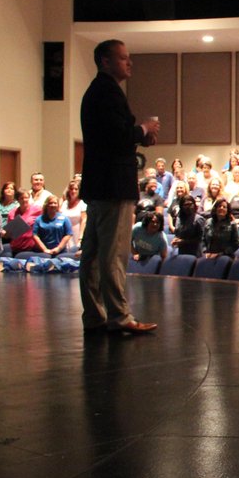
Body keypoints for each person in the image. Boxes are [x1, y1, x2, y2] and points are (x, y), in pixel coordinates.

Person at [79, 40, 161, 334]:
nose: (130, 63)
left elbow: (112, 136)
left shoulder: (99, 91)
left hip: (100, 183)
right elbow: (116, 135)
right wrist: (143, 130)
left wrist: (137, 135)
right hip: (113, 185)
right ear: (105, 61)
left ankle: (95, 315)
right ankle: (119, 317)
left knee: (92, 253)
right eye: (124, 58)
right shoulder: (107, 92)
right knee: (112, 253)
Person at [60, 179, 87, 251]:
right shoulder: (64, 203)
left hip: (77, 233)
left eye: (76, 189)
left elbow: (83, 220)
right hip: (65, 234)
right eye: (71, 189)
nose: (73, 191)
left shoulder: (82, 203)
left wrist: (80, 238)